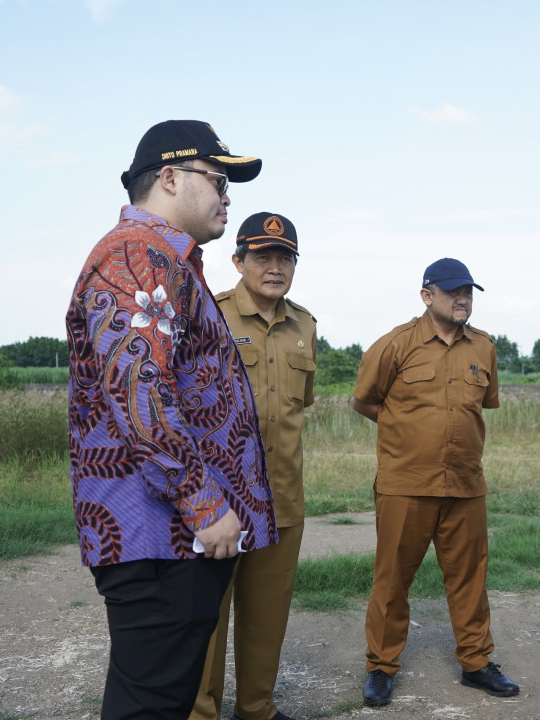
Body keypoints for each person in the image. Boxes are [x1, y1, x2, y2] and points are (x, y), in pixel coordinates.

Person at [66, 119, 277, 720]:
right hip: (161, 535)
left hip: (172, 538)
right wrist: (205, 505)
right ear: (168, 177)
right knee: (150, 704)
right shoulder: (136, 254)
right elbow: (141, 392)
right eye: (217, 179)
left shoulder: (166, 258)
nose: (228, 196)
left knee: (161, 697)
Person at [350, 258, 518, 707]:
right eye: (452, 292)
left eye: (468, 291)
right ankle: (381, 667)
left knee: (469, 579)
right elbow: (365, 401)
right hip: (406, 484)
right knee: (392, 581)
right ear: (428, 296)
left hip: (465, 485)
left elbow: (484, 405)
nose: (462, 299)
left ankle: (476, 662)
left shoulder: (483, 348)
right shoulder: (395, 345)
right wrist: (405, 433)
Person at [191, 212, 316, 720]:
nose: (274, 266)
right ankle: (200, 712)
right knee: (206, 621)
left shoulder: (304, 325)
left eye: (285, 256)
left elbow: (299, 404)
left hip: (282, 496)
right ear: (239, 260)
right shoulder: (209, 313)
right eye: (262, 256)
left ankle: (257, 708)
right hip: (219, 504)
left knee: (268, 615)